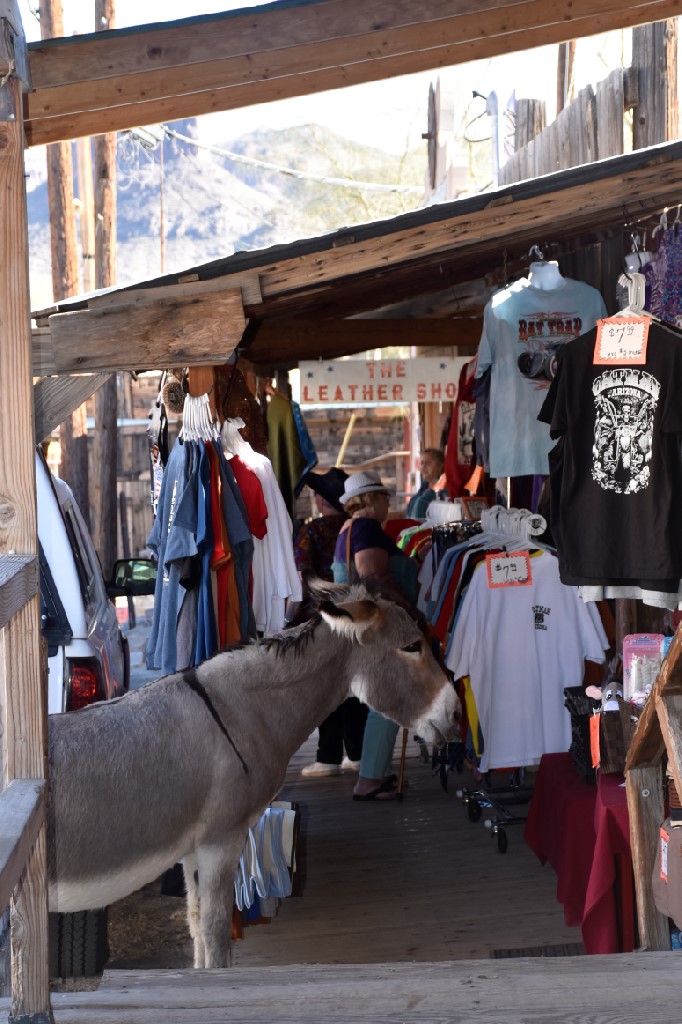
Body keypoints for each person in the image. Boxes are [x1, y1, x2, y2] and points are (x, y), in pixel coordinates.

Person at [332, 470, 419, 800]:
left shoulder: (349, 529)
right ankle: (369, 779)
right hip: (383, 627)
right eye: (384, 496)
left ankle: (374, 775)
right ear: (369, 499)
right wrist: (411, 614)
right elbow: (375, 575)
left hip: (366, 628)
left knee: (385, 700)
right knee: (389, 700)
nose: (387, 502)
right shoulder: (366, 527)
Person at [294, 467, 370, 778]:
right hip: (358, 615)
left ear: (322, 500)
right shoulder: (357, 528)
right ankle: (358, 753)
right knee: (356, 687)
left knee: (328, 689)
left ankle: (328, 756)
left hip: (322, 618)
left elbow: (302, 577)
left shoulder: (310, 532)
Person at [407, 448, 445, 518]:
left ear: (440, 466)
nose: (423, 467)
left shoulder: (444, 489)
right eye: (422, 463)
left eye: (428, 463)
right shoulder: (423, 487)